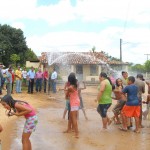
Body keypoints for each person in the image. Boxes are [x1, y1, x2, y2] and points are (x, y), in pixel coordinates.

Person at [64, 73, 80, 138]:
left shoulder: (70, 87)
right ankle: (68, 129)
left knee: (74, 119)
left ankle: (76, 133)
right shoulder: (75, 85)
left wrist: (66, 90)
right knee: (70, 116)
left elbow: (66, 96)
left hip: (74, 103)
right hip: (76, 102)